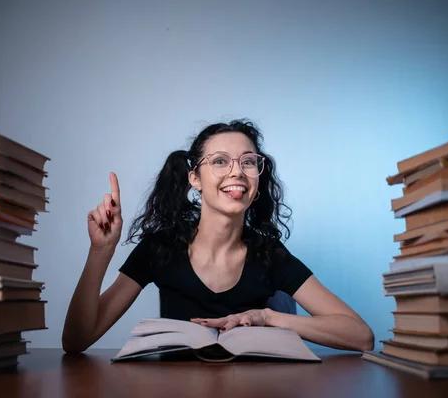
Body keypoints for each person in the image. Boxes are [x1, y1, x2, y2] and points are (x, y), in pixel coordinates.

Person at [62, 120, 375, 354]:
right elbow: (76, 340)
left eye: (248, 161)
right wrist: (101, 250)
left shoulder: (269, 254)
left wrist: (268, 317)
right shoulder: (160, 249)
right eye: (220, 161)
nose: (237, 171)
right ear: (195, 179)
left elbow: (360, 335)